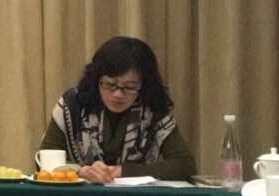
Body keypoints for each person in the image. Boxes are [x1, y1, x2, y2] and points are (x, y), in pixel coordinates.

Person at [39, 36, 196, 182]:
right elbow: (44, 161)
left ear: (144, 85)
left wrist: (121, 171)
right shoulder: (73, 104)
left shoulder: (152, 108)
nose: (118, 94)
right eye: (109, 84)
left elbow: (184, 165)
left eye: (130, 87)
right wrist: (80, 171)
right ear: (96, 80)